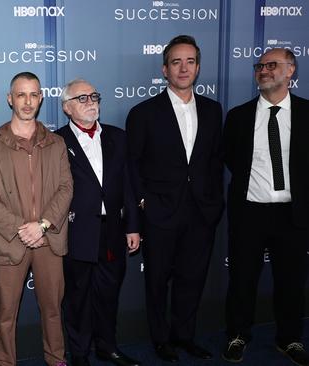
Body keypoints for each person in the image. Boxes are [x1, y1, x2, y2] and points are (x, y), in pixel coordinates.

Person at [125, 35, 223, 362]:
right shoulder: (143, 113)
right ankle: (160, 339)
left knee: (192, 279)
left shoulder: (212, 110)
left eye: (190, 61)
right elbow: (132, 165)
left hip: (201, 212)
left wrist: (213, 202)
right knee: (157, 281)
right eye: (176, 62)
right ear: (165, 69)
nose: (184, 68)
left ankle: (185, 336)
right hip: (161, 213)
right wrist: (142, 202)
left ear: (197, 68)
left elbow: (213, 160)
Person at [0, 71, 73, 366]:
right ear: (10, 99)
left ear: (41, 98)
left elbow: (66, 188)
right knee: (5, 313)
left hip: (49, 240)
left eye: (33, 94)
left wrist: (42, 225)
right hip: (10, 243)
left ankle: (56, 359)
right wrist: (23, 230)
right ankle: (4, 362)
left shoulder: (56, 144)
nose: (27, 101)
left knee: (53, 310)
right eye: (21, 94)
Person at [222, 48, 309, 366]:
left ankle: (290, 339)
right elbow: (232, 159)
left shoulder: (306, 113)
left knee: (291, 281)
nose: (264, 70)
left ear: (291, 70)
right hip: (249, 213)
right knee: (242, 279)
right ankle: (237, 335)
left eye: (272, 65)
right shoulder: (238, 117)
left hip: (293, 214)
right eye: (260, 65)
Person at [56, 79, 141, 366]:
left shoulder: (118, 137)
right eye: (82, 98)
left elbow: (129, 184)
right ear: (67, 108)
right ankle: (79, 354)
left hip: (113, 231)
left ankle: (107, 346)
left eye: (94, 96)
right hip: (77, 231)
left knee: (108, 294)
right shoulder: (56, 142)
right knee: (77, 297)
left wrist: (133, 226)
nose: (91, 102)